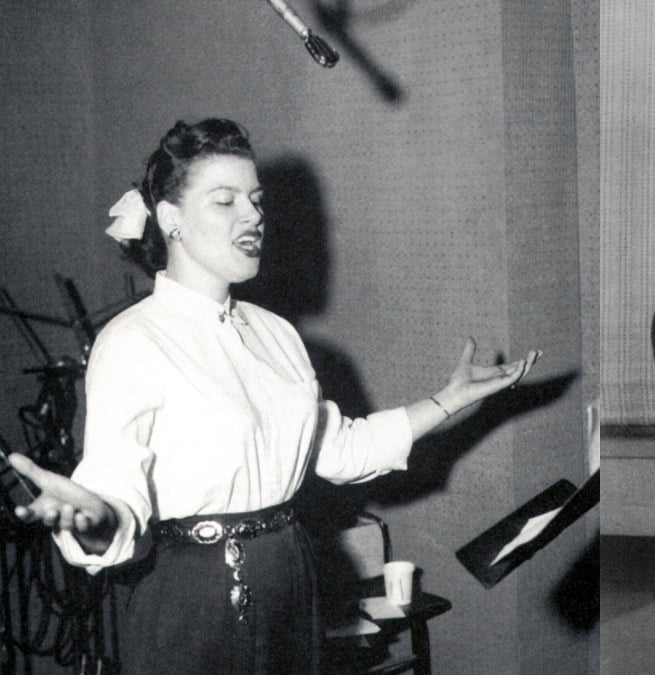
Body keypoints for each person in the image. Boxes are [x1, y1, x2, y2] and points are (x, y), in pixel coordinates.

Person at [9, 118, 541, 674]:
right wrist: (94, 516)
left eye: (256, 200)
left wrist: (449, 400)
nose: (253, 216)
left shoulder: (276, 334)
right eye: (225, 201)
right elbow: (115, 485)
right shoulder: (132, 341)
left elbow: (339, 449)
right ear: (171, 220)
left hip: (289, 574)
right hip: (193, 597)